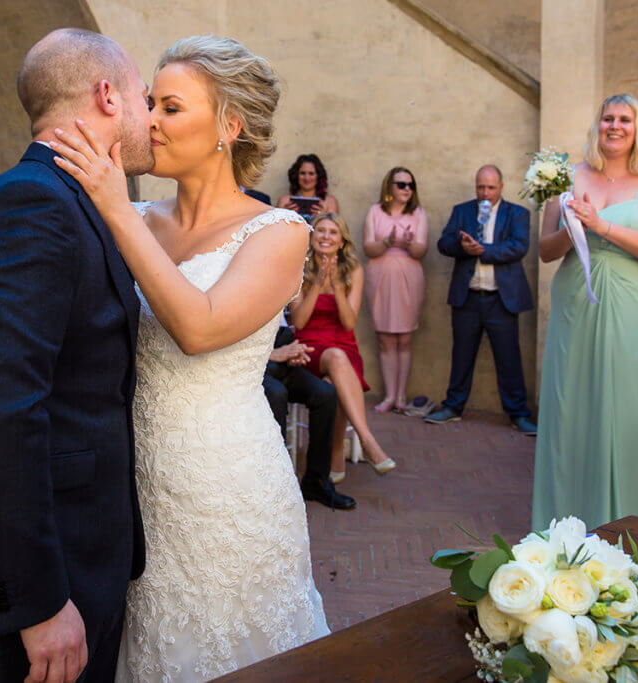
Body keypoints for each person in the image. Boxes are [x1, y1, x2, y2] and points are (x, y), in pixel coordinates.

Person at [51, 34, 330, 680]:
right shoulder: (137, 217)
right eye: (149, 102)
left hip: (229, 491)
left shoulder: (279, 233)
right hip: (139, 487)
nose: (147, 120)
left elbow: (198, 328)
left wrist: (116, 209)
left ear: (228, 126)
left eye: (169, 107)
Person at [0, 29, 152, 683]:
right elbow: (2, 412)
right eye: (143, 96)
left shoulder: (77, 201)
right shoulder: (32, 206)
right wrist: (40, 601)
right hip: (24, 591)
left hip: (82, 553)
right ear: (107, 95)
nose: (150, 115)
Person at [532, 93, 638, 531]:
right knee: (576, 410)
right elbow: (545, 251)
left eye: (625, 119)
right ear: (597, 126)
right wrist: (573, 228)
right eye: (608, 118)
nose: (615, 126)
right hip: (578, 306)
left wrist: (602, 225)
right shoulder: (566, 176)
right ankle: (571, 523)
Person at [426, 165, 537, 436]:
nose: (485, 193)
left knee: (509, 358)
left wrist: (483, 250)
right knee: (461, 355)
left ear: (501, 186)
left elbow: (519, 247)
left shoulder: (517, 213)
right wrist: (462, 247)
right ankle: (453, 407)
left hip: (501, 299)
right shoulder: (462, 210)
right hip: (468, 297)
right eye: (480, 187)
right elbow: (443, 243)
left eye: (490, 187)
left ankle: (518, 414)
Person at [286, 212, 396, 483]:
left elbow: (348, 322)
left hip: (343, 347)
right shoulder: (298, 268)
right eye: (320, 230)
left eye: (333, 232)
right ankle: (368, 441)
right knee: (334, 359)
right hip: (309, 348)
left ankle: (332, 454)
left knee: (333, 381)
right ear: (312, 237)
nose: (326, 236)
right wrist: (316, 284)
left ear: (342, 241)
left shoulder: (353, 270)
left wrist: (335, 285)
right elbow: (299, 321)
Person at [264, 325, 356, 510]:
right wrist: (272, 354)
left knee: (325, 393)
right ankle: (276, 487)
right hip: (253, 365)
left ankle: (316, 482)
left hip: (281, 355)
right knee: (277, 394)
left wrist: (293, 352)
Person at [362, 167, 428, 413]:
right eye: (401, 184)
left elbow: (422, 250)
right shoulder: (374, 212)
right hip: (380, 278)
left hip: (408, 280)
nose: (407, 190)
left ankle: (401, 395)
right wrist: (387, 242)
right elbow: (368, 248)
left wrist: (410, 244)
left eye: (411, 185)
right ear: (389, 186)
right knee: (385, 339)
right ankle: (389, 395)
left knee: (405, 338)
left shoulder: (418, 213)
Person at [277, 154, 339, 219]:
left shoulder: (329, 202)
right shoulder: (285, 201)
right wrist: (285, 214)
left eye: (311, 173)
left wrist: (323, 216)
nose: (307, 178)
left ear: (319, 176)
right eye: (303, 173)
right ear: (296, 175)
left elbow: (334, 227)